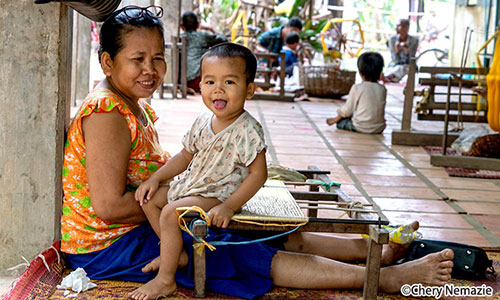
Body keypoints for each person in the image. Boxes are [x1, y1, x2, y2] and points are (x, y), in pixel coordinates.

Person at [61, 7, 454, 300]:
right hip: (109, 244)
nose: (151, 69)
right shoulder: (106, 113)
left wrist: (202, 196)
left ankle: (374, 253)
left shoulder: (133, 104)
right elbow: (110, 206)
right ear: (108, 62)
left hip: (145, 221)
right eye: (138, 60)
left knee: (256, 222)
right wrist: (185, 205)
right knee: (239, 247)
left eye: (158, 57)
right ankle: (381, 278)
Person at [130, 42, 268, 299]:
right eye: (209, 82)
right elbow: (184, 156)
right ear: (200, 85)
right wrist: (156, 178)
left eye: (229, 82)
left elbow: (259, 175)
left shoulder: (247, 129)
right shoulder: (203, 121)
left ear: (249, 89)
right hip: (194, 184)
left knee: (171, 212)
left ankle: (165, 280)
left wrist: (228, 206)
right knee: (149, 200)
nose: (218, 89)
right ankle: (176, 254)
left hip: (219, 193)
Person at [326, 52, 387, 134]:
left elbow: (347, 111)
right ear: (380, 72)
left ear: (361, 73)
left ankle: (337, 119)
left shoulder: (357, 88)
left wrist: (338, 115)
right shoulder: (382, 89)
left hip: (361, 127)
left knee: (341, 123)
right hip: (379, 128)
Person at [181, 11, 227, 93]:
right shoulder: (203, 36)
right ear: (198, 24)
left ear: (181, 26)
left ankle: (185, 88)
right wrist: (210, 29)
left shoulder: (180, 37)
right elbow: (224, 40)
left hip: (182, 79)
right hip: (199, 78)